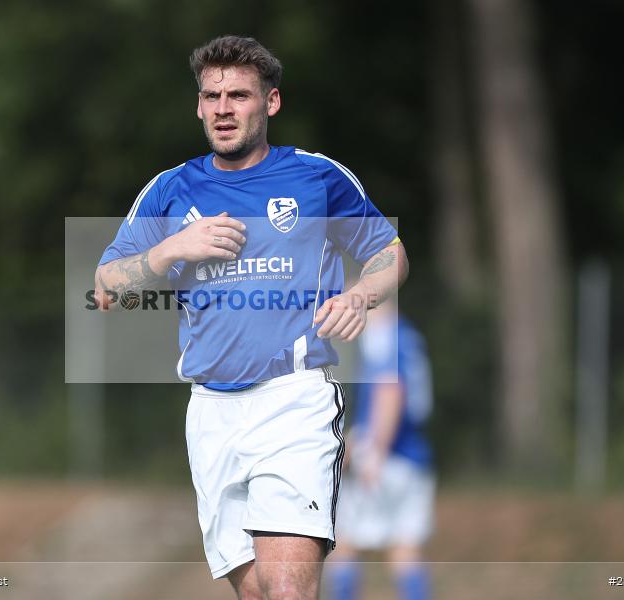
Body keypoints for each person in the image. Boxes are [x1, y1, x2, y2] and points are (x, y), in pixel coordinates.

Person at [95, 35, 407, 600]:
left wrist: (361, 294)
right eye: (211, 96)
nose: (223, 108)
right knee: (259, 592)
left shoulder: (316, 178)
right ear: (197, 105)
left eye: (238, 95)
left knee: (288, 590)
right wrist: (172, 249)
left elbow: (391, 255)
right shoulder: (170, 190)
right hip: (210, 413)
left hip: (294, 401)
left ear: (271, 102)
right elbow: (107, 287)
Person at [327, 301, 435, 600]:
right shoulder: (408, 334)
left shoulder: (383, 333)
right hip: (412, 455)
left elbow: (390, 390)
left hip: (383, 456)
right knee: (405, 550)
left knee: (344, 544)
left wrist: (374, 451)